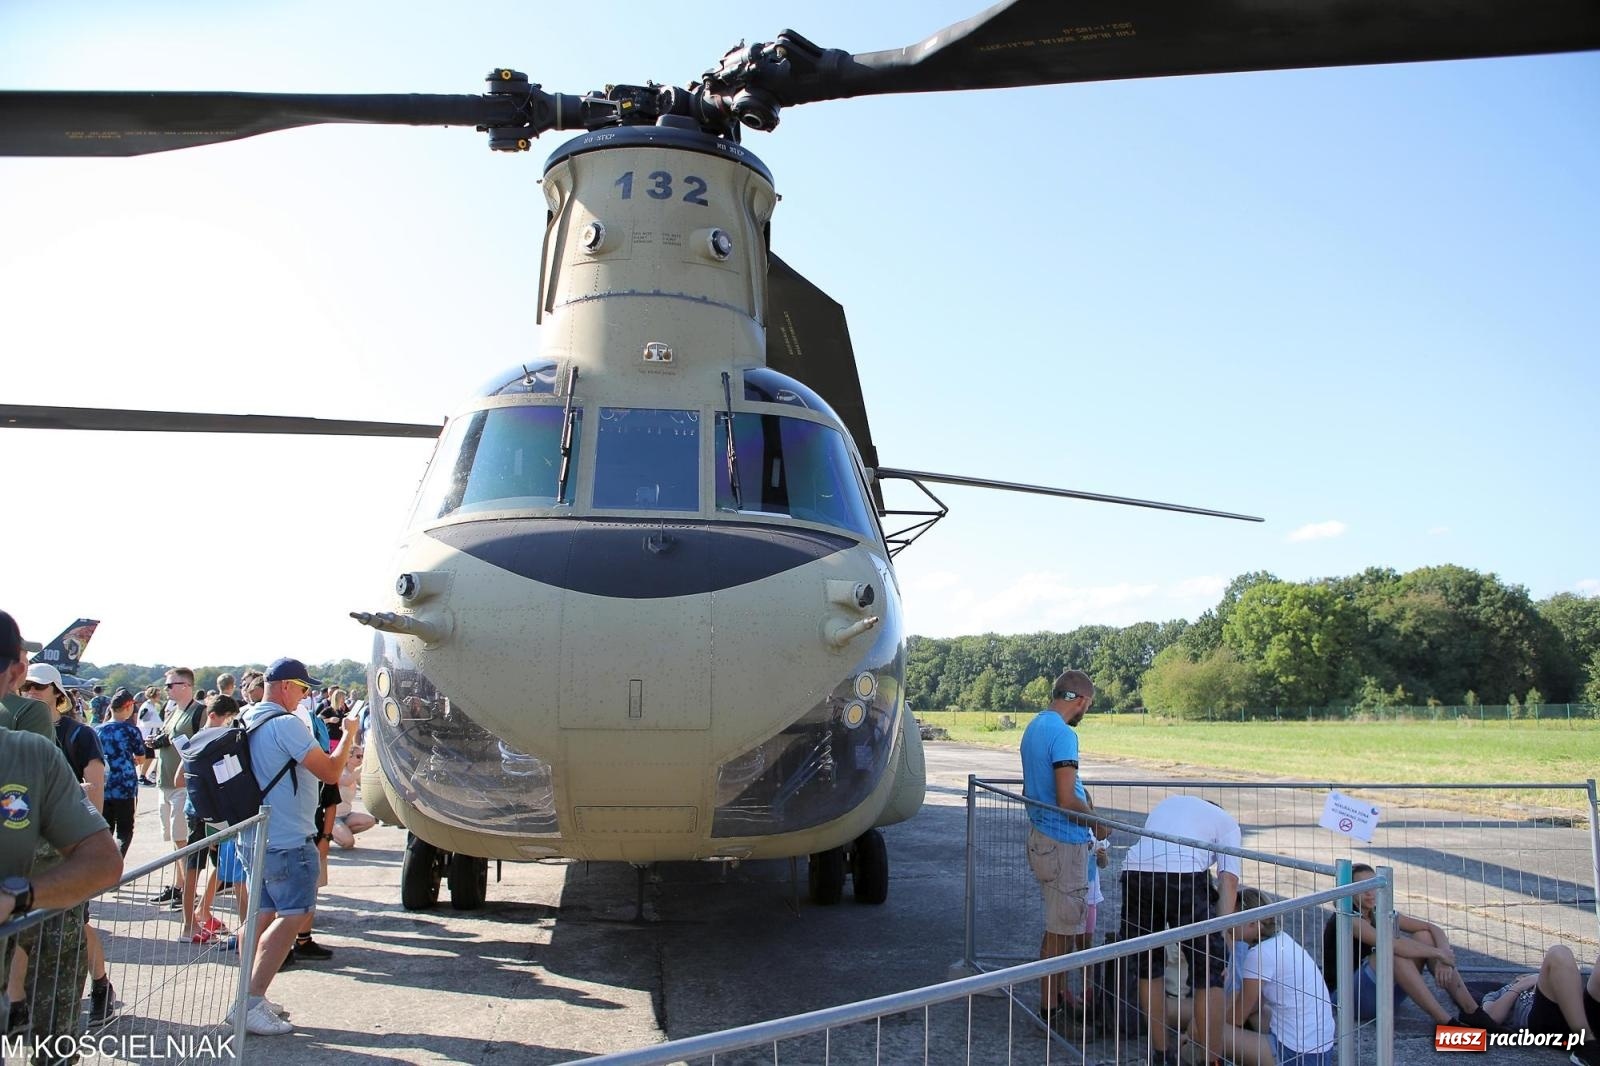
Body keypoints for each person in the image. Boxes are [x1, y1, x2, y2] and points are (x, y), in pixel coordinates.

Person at [0, 611, 124, 1033]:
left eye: (40, 686)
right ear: (18, 672)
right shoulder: (31, 743)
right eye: (28, 684)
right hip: (47, 847)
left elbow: (100, 848)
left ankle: (93, 990)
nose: (31, 692)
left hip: (52, 850)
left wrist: (19, 894)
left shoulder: (57, 739)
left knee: (61, 939)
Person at [230, 657, 359, 1036]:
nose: (306, 696)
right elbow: (331, 772)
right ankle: (250, 1002)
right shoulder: (286, 724)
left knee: (262, 913)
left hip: (255, 835)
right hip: (287, 838)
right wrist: (349, 733)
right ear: (286, 686)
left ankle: (246, 997)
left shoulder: (248, 717)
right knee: (293, 914)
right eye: (303, 689)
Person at [1118, 795, 1244, 1065]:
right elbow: (1229, 883)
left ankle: (1161, 1054)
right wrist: (1221, 937)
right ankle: (1211, 1060)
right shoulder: (1228, 824)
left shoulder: (1169, 805)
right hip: (1182, 873)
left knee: (1148, 966)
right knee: (1209, 972)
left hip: (1134, 870)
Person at [1019, 669, 1108, 1031]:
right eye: (1089, 704)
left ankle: (1054, 1000)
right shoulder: (1064, 734)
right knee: (1061, 933)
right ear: (1081, 701)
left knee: (1057, 930)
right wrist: (1097, 824)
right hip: (1064, 845)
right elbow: (1067, 797)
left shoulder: (1034, 727)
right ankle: (1050, 1010)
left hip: (1043, 838)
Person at [1320, 862, 1490, 1030]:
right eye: (1363, 888)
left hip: (1382, 994)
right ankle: (1446, 1022)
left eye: (1372, 885)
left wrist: (1444, 957)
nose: (1370, 893)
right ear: (1350, 891)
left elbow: (1432, 928)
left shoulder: (1377, 911)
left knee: (1424, 936)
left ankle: (1472, 1010)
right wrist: (1438, 954)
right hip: (1348, 999)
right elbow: (1393, 945)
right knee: (1391, 953)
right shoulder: (1348, 919)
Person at [1216, 887, 1337, 1066]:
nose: (1228, 926)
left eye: (1233, 919)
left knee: (1205, 1030)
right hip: (1320, 1051)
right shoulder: (1281, 939)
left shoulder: (1257, 955)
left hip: (1296, 1055)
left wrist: (1207, 1021)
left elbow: (1237, 1017)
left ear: (1252, 923)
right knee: (1254, 1013)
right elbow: (1254, 1006)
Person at [1478, 943, 1599, 1066]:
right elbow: (1492, 1017)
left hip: (1582, 1017)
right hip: (1547, 1024)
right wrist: (1520, 985)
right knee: (1558, 953)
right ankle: (1587, 1044)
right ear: (1518, 978)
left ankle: (1591, 1040)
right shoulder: (1498, 993)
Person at [149, 668, 204, 906]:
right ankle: (179, 885)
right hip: (166, 782)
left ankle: (186, 891)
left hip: (184, 784)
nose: (167, 689)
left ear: (186, 686)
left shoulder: (198, 712)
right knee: (174, 837)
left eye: (171, 685)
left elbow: (202, 745)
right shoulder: (173, 711)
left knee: (182, 838)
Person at [95, 689, 144, 857]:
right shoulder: (131, 730)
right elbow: (141, 756)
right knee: (124, 830)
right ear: (128, 707)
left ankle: (104, 866)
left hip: (104, 785)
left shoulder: (97, 730)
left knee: (106, 828)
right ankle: (117, 861)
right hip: (125, 785)